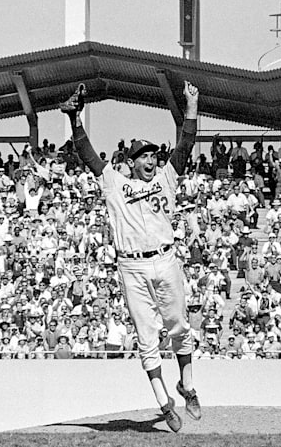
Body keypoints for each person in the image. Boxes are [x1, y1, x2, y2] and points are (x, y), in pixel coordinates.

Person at [60, 80, 202, 432]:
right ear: (132, 162)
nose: (151, 160)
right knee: (146, 336)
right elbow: (88, 154)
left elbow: (186, 143)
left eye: (153, 154)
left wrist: (191, 105)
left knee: (180, 327)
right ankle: (164, 402)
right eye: (144, 156)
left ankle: (186, 384)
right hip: (132, 265)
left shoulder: (167, 177)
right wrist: (75, 120)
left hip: (166, 259)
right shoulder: (115, 183)